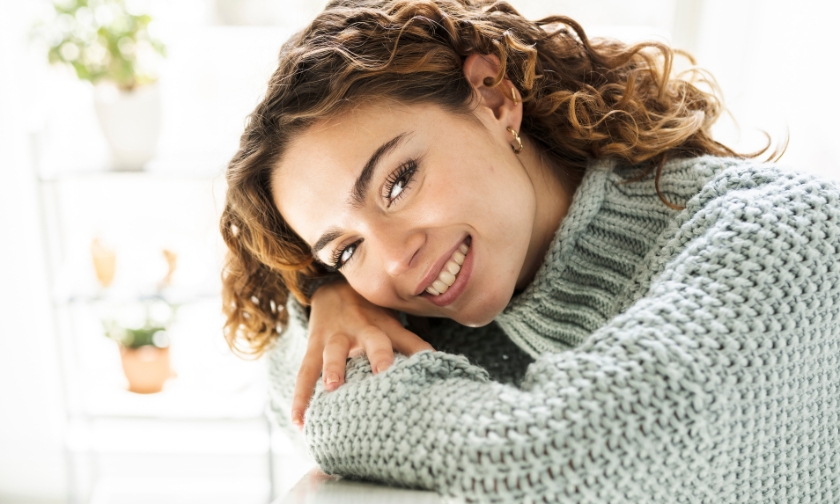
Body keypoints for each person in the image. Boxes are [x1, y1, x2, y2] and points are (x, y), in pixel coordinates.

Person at [219, 0, 840, 502]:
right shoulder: (412, 310)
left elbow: (555, 461)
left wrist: (343, 370)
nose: (392, 263)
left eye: (399, 181)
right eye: (346, 249)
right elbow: (291, 394)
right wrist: (326, 303)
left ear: (493, 98)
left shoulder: (779, 237)